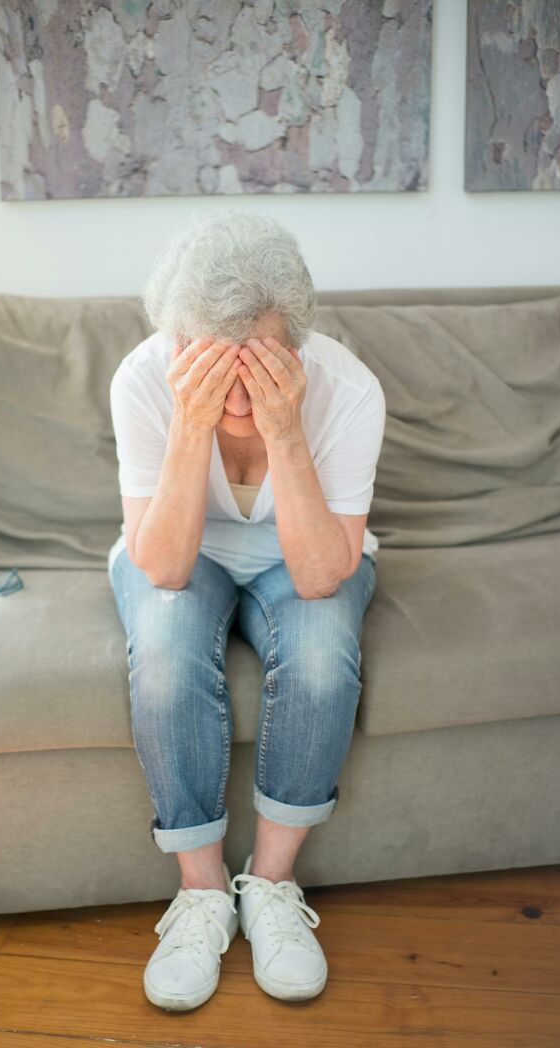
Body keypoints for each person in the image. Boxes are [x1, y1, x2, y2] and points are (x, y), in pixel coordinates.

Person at [107, 210, 386, 1011]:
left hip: (304, 557)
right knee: (162, 648)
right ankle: (201, 897)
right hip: (180, 551)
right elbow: (160, 565)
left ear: (293, 346)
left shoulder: (348, 390)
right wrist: (191, 427)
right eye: (207, 360)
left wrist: (285, 431)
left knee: (324, 649)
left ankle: (269, 886)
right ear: (177, 344)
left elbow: (320, 576)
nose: (232, 386)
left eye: (256, 360)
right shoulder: (142, 379)